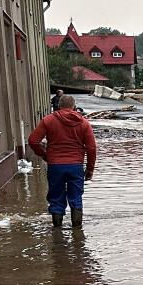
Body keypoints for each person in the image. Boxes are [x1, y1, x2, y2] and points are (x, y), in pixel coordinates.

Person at [28, 95, 97, 229]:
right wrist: (89, 169)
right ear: (74, 106)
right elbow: (91, 148)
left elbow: (33, 141)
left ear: (59, 105)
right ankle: (77, 232)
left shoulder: (48, 120)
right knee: (76, 197)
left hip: (55, 165)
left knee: (56, 196)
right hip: (76, 166)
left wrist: (45, 155)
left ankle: (57, 231)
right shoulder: (84, 123)